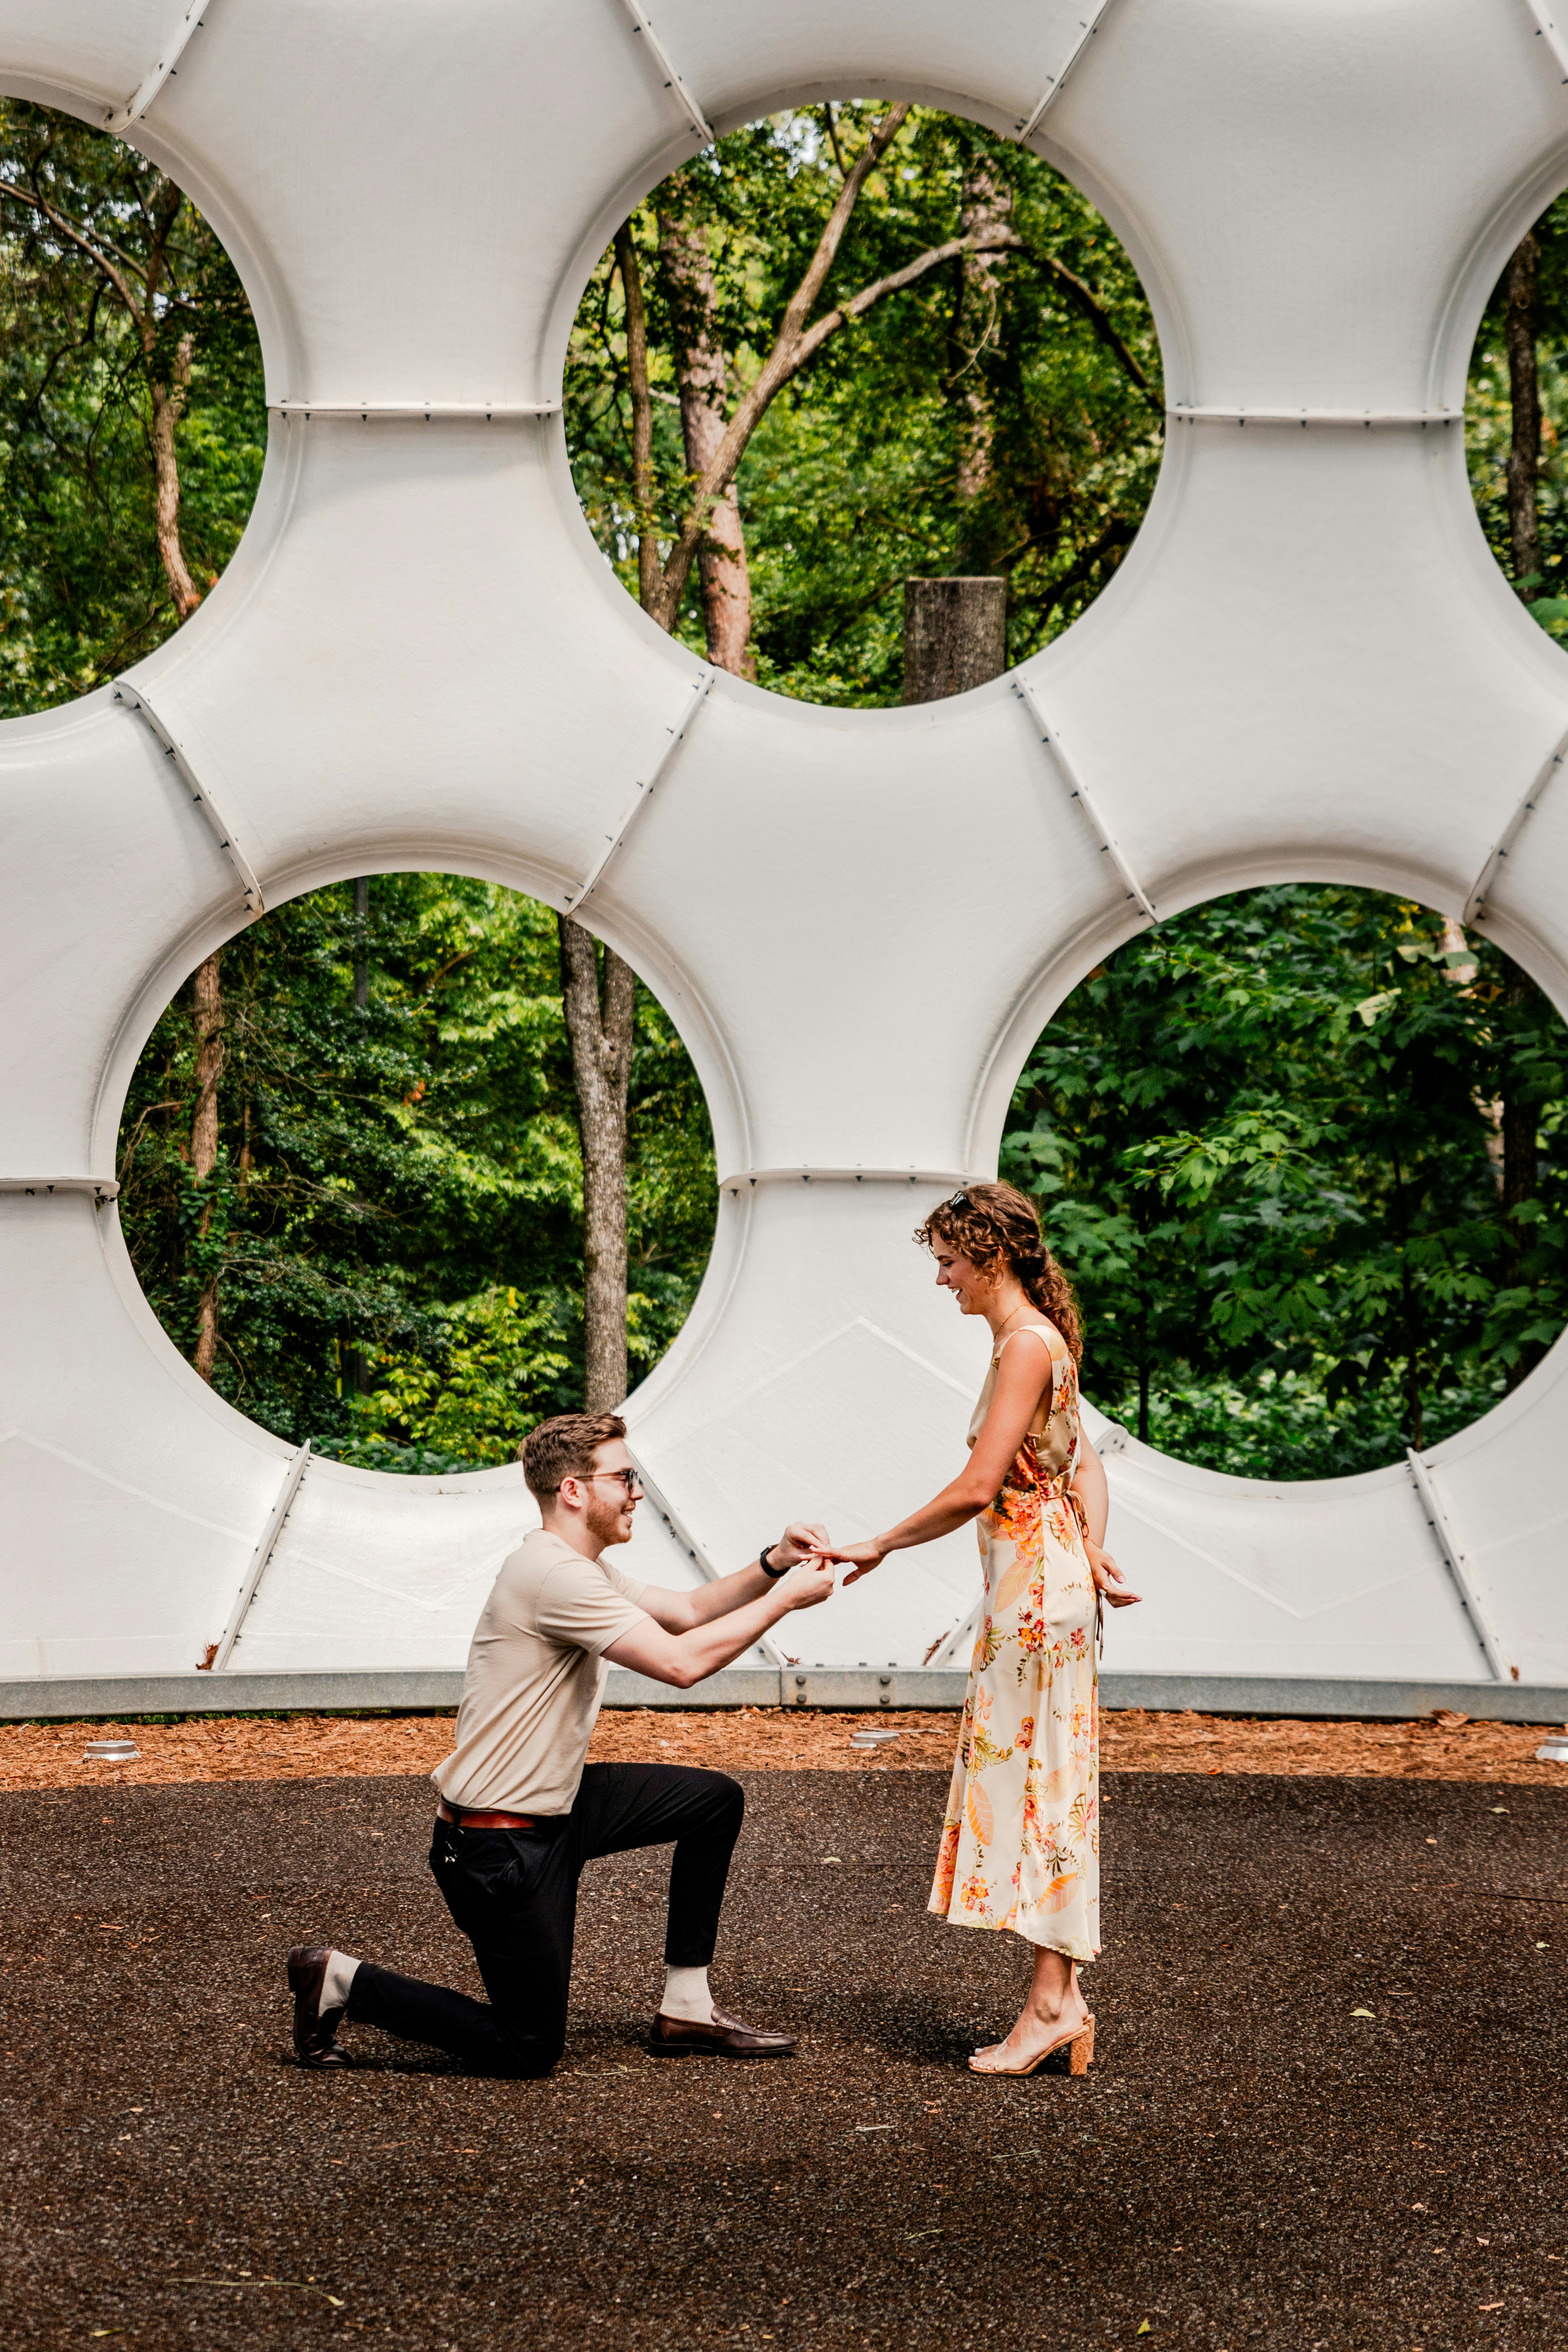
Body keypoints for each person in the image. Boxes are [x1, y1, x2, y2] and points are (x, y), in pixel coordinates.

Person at [285, 1410, 836, 2077]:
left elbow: (689, 1612)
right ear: (573, 1490)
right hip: (498, 1844)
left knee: (711, 1801)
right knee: (527, 2048)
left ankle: (687, 2008)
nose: (636, 1493)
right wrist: (785, 1601)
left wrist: (775, 1563)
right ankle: (338, 1979)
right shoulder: (554, 1577)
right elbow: (681, 1663)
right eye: (624, 1478)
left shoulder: (579, 1568)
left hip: (558, 1808)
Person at [817, 1182, 1140, 2078]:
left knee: (1044, 1791)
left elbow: (975, 1486)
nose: (942, 1280)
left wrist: (879, 1543)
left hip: (1034, 1595)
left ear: (991, 1257)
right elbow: (1084, 1466)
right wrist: (1091, 1547)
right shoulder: (1035, 1337)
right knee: (1048, 1785)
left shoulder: (1026, 1344)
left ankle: (1052, 2005)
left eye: (950, 1262)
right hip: (1042, 1584)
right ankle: (1056, 2000)